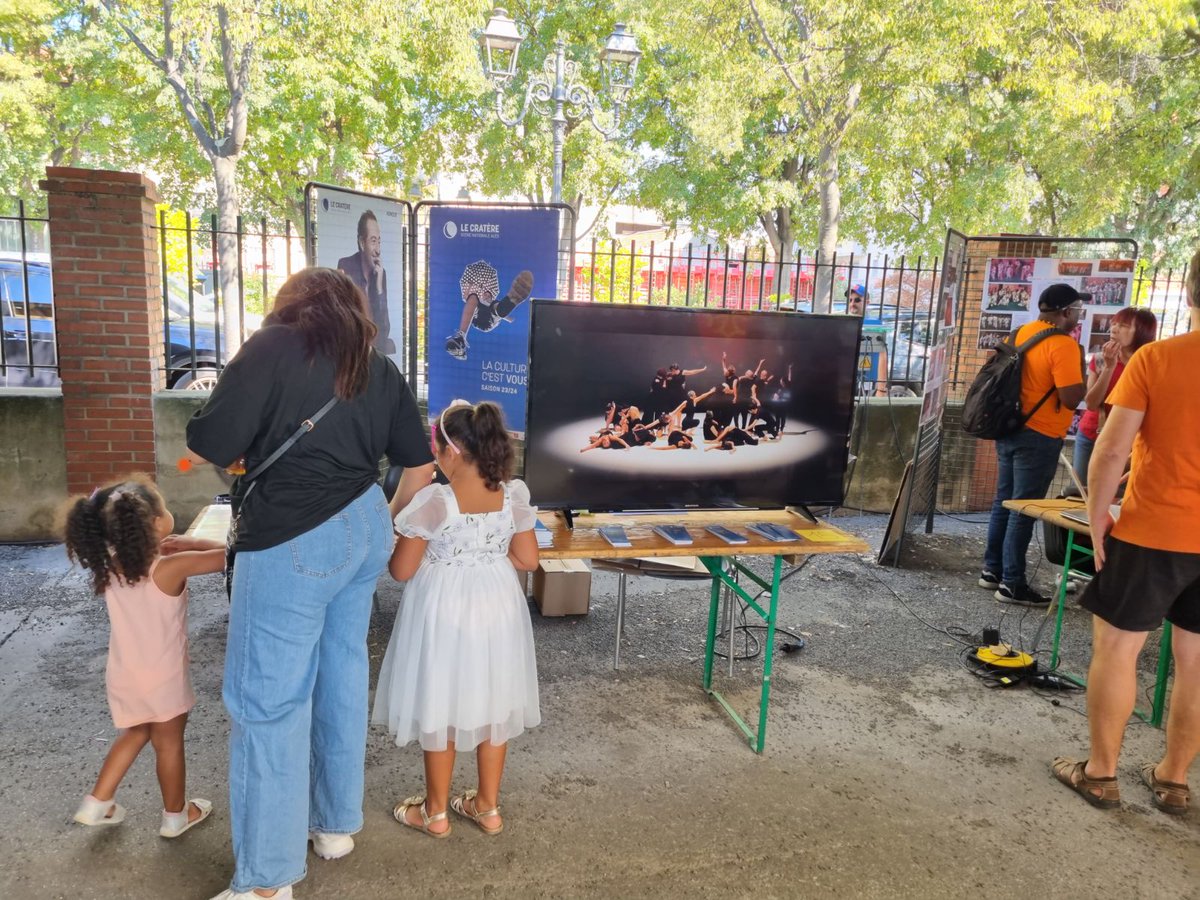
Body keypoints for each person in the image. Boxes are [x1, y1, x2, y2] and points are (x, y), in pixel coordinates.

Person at [187, 268, 435, 900]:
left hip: (292, 537)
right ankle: (333, 825)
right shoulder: (377, 365)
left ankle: (267, 882)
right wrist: (382, 513)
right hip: (361, 527)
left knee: (268, 704)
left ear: (292, 304)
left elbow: (211, 438)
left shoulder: (272, 345)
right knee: (341, 672)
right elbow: (421, 461)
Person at [1052, 248, 1200, 816]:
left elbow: (1110, 449)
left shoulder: (1156, 360)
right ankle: (1174, 779)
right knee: (1196, 661)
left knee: (1116, 649)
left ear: (1188, 291)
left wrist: (1096, 519)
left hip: (1153, 529)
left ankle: (1101, 774)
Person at [373, 401, 540, 839]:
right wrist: (487, 546)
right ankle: (486, 807)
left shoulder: (433, 502)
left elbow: (401, 571)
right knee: (494, 700)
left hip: (444, 608)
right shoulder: (511, 494)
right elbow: (528, 558)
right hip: (497, 604)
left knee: (440, 702)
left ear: (447, 452)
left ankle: (436, 813)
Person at [62, 475, 224, 837]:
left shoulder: (110, 566)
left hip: (124, 673)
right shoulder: (171, 566)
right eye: (164, 509)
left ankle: (98, 801)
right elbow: (236, 555)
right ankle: (175, 816)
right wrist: (195, 542)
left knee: (135, 732)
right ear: (155, 523)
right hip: (163, 678)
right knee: (168, 744)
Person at [979, 283, 1086, 606]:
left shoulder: (1019, 334)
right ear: (1066, 311)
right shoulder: (1063, 345)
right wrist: (1083, 369)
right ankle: (1012, 583)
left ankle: (992, 570)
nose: (1078, 317)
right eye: (1077, 311)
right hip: (1039, 436)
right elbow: (1070, 398)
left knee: (1004, 502)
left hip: (1009, 428)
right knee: (1024, 508)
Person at [1072, 307, 1157, 486]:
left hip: (1128, 440)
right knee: (1079, 493)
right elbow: (1091, 403)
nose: (1114, 329)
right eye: (1113, 324)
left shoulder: (1150, 364)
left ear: (1141, 332)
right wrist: (1109, 367)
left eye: (1124, 325)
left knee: (1117, 494)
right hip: (1092, 433)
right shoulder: (1100, 358)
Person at [445, 262, 534, 360]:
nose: (486, 295)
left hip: (490, 319)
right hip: (480, 321)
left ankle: (510, 300)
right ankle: (461, 337)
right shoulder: (476, 299)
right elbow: (468, 297)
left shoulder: (491, 300)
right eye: (485, 294)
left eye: (488, 294)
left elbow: (504, 315)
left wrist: (509, 318)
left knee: (495, 307)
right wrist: (471, 287)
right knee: (474, 298)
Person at [336, 210, 393, 354]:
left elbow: (385, 329)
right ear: (362, 243)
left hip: (373, 348)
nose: (378, 250)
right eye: (373, 241)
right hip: (353, 347)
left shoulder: (381, 273)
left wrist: (379, 289)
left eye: (379, 241)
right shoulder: (346, 266)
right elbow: (345, 320)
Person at [847, 284, 889, 398]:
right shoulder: (844, 323)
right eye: (850, 300)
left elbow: (883, 356)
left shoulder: (875, 324)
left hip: (868, 384)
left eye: (857, 300)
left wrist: (881, 390)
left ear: (867, 302)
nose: (852, 303)